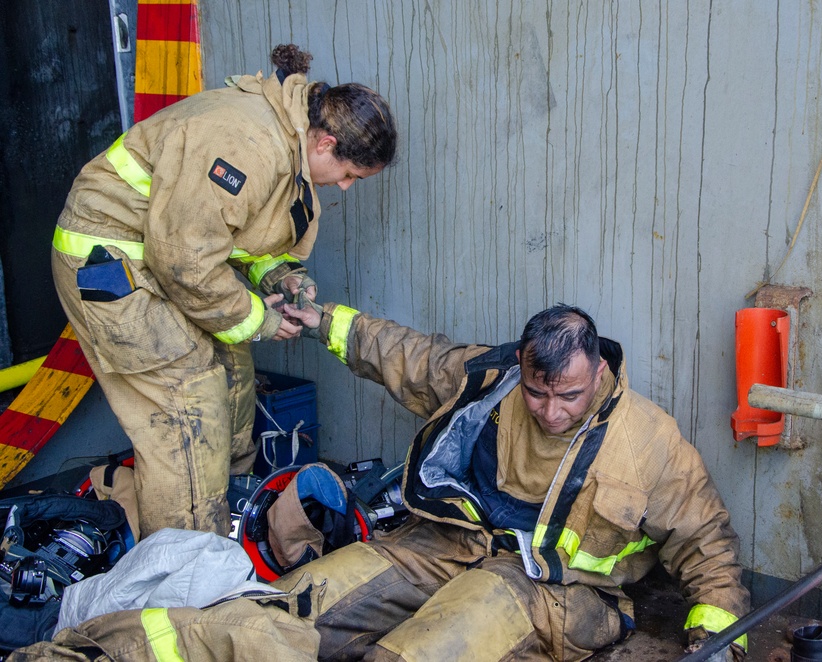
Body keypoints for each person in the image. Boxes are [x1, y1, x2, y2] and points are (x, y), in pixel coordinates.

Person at [50, 44, 397, 539]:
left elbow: (231, 230)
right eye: (348, 176)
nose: (343, 188)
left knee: (232, 367)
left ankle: (230, 510)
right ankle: (185, 565)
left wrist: (279, 276)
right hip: (110, 263)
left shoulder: (286, 133)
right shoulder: (248, 142)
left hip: (157, 255)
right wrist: (264, 320)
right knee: (187, 407)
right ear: (326, 143)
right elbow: (187, 261)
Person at [277, 301, 751, 661]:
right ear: (522, 361)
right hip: (450, 545)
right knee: (282, 615)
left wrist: (717, 644)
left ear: (599, 370)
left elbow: (706, 542)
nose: (550, 411)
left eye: (569, 395)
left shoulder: (649, 439)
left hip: (555, 589)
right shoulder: (491, 381)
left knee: (413, 654)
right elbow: (408, 357)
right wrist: (324, 322)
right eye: (536, 392)